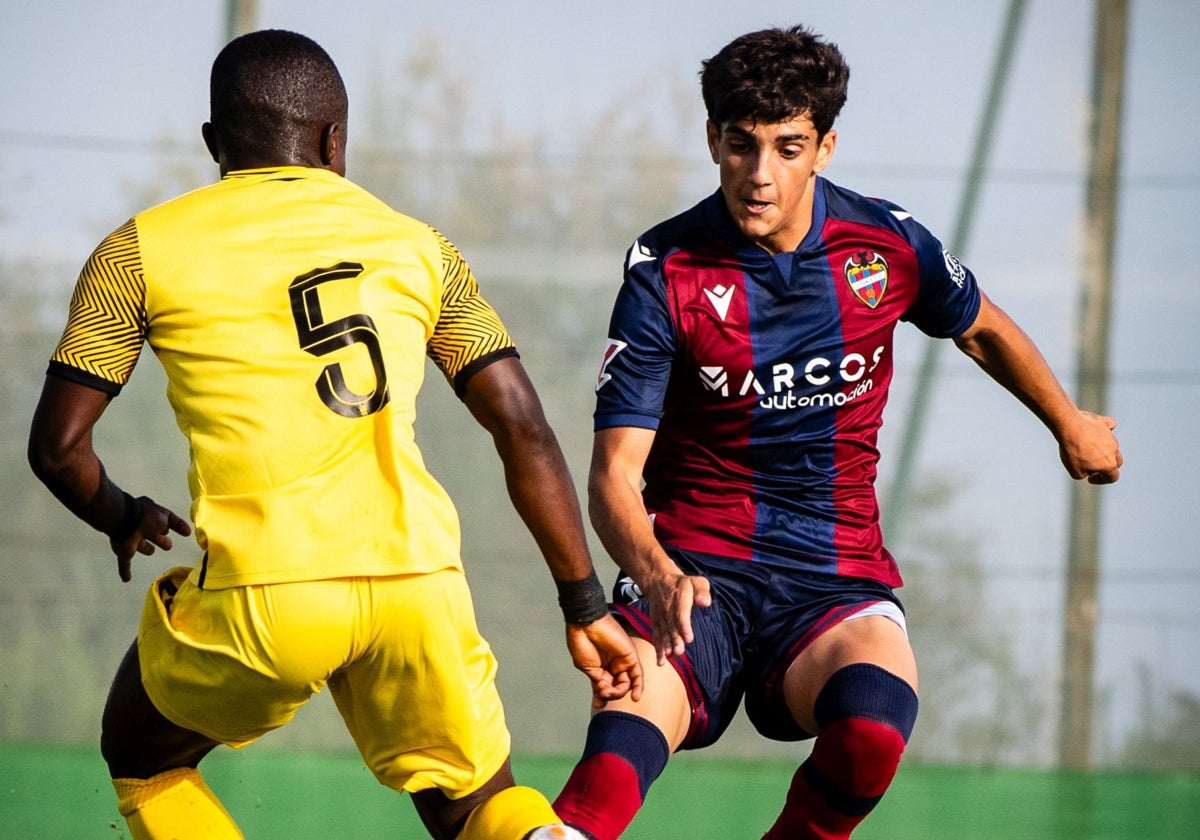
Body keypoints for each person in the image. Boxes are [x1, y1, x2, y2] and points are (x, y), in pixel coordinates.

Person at [27, 29, 641, 840]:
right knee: (478, 808)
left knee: (141, 752)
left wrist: (121, 513)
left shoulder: (138, 251)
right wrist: (583, 600)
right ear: (333, 141)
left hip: (267, 593)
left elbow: (59, 449)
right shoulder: (422, 248)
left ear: (213, 143)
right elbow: (522, 425)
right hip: (416, 580)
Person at [551, 24, 1123, 840]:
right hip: (694, 573)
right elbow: (613, 475)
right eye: (741, 146)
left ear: (824, 146)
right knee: (619, 746)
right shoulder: (664, 270)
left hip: (832, 573)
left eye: (787, 148)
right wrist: (656, 570)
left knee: (875, 723)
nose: (760, 175)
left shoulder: (884, 244)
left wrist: (1069, 423)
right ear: (712, 138)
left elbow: (982, 327)